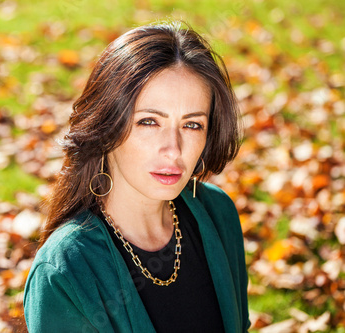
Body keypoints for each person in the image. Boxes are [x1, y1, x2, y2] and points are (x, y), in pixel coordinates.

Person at [23, 21, 250, 333]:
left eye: (192, 124)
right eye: (149, 122)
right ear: (107, 125)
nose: (174, 150)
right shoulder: (66, 270)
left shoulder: (217, 213)